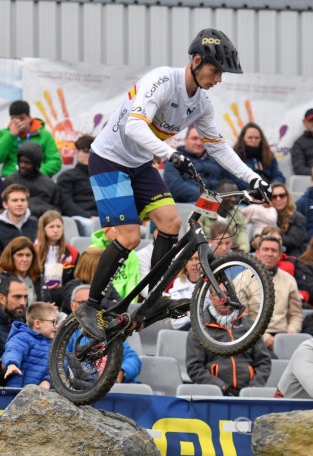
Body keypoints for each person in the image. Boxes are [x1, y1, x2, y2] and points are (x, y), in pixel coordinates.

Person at [77, 28, 269, 340]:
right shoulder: (162, 81)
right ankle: (91, 304)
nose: (218, 79)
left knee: (170, 221)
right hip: (109, 158)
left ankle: (151, 299)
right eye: (215, 71)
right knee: (129, 237)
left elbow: (218, 147)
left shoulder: (202, 103)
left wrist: (254, 178)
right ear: (196, 61)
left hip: (139, 163)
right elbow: (133, 126)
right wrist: (171, 153)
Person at [186, 283, 272, 395]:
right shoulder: (198, 329)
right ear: (210, 298)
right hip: (216, 394)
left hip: (248, 393)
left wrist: (253, 388)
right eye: (218, 294)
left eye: (227, 294)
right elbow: (194, 367)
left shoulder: (250, 326)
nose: (224, 298)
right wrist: (221, 387)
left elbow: (264, 362)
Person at [236, 234, 302, 352]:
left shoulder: (289, 280)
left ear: (280, 255)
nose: (270, 254)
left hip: (283, 336)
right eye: (265, 249)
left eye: (274, 250)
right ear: (257, 253)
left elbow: (296, 314)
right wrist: (265, 337)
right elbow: (242, 317)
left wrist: (292, 330)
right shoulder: (242, 279)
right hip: (252, 337)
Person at [66, 285, 142, 384]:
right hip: (86, 388)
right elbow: (63, 363)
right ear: (72, 305)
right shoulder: (67, 335)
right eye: (82, 303)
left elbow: (132, 358)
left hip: (118, 387)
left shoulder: (110, 328)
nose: (87, 308)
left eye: (90, 304)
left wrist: (120, 373)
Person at [0, 100, 61, 178]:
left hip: (36, 179)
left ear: (29, 118)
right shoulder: (4, 134)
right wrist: (10, 135)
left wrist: (35, 172)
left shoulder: (44, 135)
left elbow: (55, 161)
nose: (18, 122)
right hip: (11, 179)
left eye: (22, 118)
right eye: (14, 119)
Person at [163, 126, 236, 203]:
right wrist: (207, 197)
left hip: (222, 202)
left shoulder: (216, 159)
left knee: (247, 209)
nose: (198, 143)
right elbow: (175, 186)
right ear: (185, 140)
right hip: (192, 204)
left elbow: (235, 179)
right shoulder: (175, 159)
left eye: (202, 140)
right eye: (194, 138)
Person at [1, 302, 58, 389]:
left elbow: (60, 366)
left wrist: (47, 381)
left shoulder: (55, 344)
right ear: (37, 323)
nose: (56, 326)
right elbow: (13, 350)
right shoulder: (23, 338)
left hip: (45, 398)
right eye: (53, 322)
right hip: (19, 395)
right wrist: (11, 364)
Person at [0, 183, 39, 266]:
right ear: (5, 205)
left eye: (23, 200)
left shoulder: (37, 225)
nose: (19, 204)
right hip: (8, 275)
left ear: (27, 203)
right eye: (15, 200)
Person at [2, 142, 60, 218]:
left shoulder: (49, 184)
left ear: (36, 164)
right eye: (20, 162)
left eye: (27, 163)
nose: (22, 165)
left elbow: (57, 209)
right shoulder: (10, 181)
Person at [35, 210, 79, 306]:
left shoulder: (73, 252)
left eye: (59, 226)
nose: (56, 230)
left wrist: (64, 287)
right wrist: (43, 286)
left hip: (64, 295)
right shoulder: (34, 251)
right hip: (39, 295)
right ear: (43, 229)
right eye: (51, 227)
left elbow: (76, 279)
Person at [56, 134, 97, 235]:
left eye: (93, 152)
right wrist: (88, 216)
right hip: (79, 218)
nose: (89, 155)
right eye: (86, 151)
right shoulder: (66, 176)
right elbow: (66, 204)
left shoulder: (102, 177)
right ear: (76, 152)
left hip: (100, 217)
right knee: (92, 225)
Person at [198, 179, 250, 253]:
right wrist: (211, 245)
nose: (233, 199)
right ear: (217, 195)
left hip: (230, 255)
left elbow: (245, 245)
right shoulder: (206, 205)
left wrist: (235, 250)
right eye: (229, 195)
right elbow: (193, 233)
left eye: (235, 196)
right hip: (205, 254)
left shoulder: (238, 214)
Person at [0, 237, 43, 305]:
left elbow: (45, 301)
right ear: (10, 257)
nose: (25, 259)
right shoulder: (2, 279)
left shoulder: (37, 277)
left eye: (28, 255)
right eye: (20, 255)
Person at [269, 182, 306, 257]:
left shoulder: (298, 218)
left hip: (290, 256)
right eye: (274, 196)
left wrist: (273, 237)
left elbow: (294, 241)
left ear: (287, 197)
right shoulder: (264, 216)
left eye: (282, 196)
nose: (278, 199)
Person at [167, 252, 200, 331]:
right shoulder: (177, 283)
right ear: (185, 263)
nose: (194, 263)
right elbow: (176, 322)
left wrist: (187, 313)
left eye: (197, 259)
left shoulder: (211, 284)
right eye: (190, 259)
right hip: (183, 332)